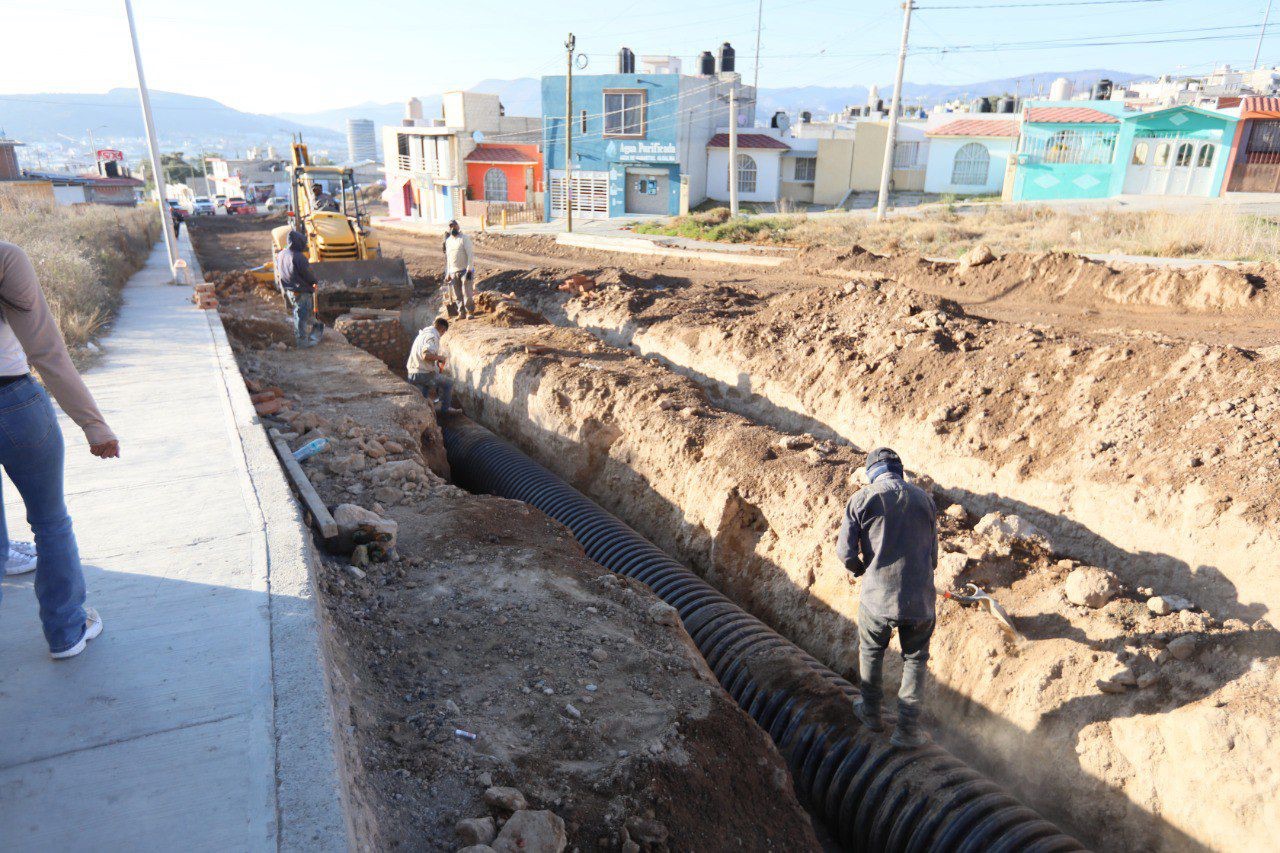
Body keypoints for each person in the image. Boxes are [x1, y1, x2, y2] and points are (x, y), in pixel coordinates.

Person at [0, 242, 120, 660]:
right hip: (13, 405)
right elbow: (45, 350)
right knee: (50, 522)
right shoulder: (5, 257)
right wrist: (93, 423)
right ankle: (67, 631)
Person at [836, 447, 938, 748]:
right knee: (915, 659)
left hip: (877, 598)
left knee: (871, 651)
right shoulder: (925, 500)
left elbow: (845, 553)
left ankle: (870, 712)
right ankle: (907, 729)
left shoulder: (862, 499)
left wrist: (860, 569)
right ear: (900, 470)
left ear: (872, 473)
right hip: (920, 600)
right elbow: (933, 557)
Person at [275, 230, 324, 348]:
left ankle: (316, 327)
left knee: (302, 313)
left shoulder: (282, 254)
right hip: (301, 290)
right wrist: (314, 282)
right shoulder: (298, 257)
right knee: (301, 317)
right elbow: (308, 274)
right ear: (298, 243)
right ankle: (302, 343)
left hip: (290, 290)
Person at [406, 317, 454, 414]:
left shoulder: (422, 334)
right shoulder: (433, 337)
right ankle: (445, 410)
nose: (442, 335)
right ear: (443, 330)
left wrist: (435, 361)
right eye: (443, 333)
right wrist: (440, 358)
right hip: (423, 374)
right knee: (448, 383)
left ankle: (425, 412)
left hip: (412, 373)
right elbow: (426, 355)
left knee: (423, 395)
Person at [442, 220, 475, 319]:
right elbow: (448, 258)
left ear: (458, 226)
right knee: (457, 294)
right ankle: (461, 313)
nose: (453, 228)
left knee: (467, 293)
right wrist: (448, 273)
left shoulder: (464, 238)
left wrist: (469, 269)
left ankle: (470, 312)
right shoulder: (448, 241)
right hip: (453, 271)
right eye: (451, 226)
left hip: (465, 270)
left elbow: (470, 254)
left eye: (454, 226)